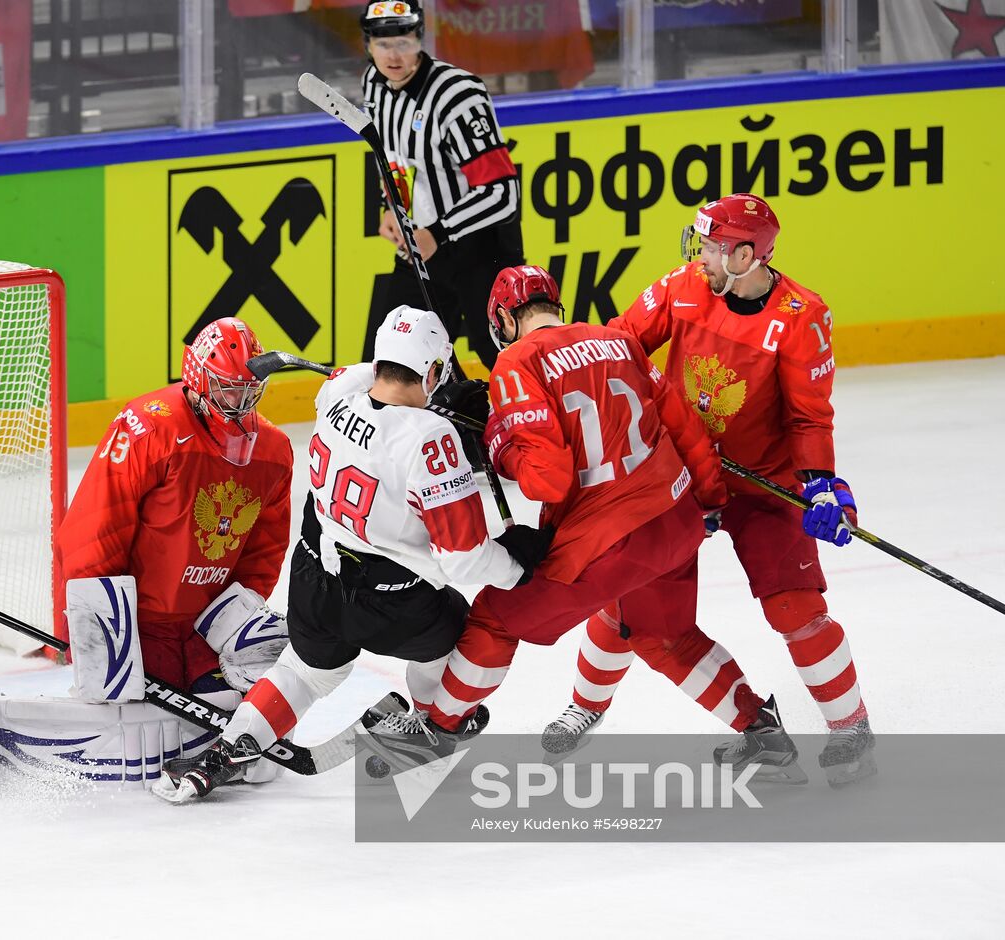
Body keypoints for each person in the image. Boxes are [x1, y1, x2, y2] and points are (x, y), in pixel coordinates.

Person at [386, 266, 801, 779]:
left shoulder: (517, 361)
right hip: (675, 520)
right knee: (665, 636)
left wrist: (497, 443)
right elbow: (683, 426)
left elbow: (547, 480)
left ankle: (437, 729)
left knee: (495, 617)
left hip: (606, 541)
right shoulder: (617, 340)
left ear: (505, 320)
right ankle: (762, 731)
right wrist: (711, 500)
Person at [153, 305, 551, 804]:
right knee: (461, 640)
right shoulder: (432, 441)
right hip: (393, 605)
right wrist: (518, 563)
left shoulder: (336, 395)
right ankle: (427, 731)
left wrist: (423, 393)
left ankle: (224, 754)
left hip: (313, 581)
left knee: (303, 671)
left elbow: (361, 376)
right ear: (432, 371)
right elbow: (465, 559)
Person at [542, 193, 876, 786]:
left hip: (764, 485)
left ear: (747, 256)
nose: (701, 257)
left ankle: (851, 729)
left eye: (714, 248)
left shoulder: (801, 317)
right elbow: (616, 348)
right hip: (681, 476)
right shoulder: (684, 287)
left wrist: (822, 486)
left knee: (794, 606)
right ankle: (587, 706)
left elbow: (808, 417)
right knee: (628, 596)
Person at [0, 317, 295, 790]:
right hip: (140, 624)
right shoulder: (150, 427)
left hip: (205, 627)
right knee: (127, 723)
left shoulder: (274, 451)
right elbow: (95, 530)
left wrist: (230, 625)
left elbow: (264, 552)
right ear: (197, 377)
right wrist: (95, 628)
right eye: (227, 389)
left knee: (247, 712)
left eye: (248, 391)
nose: (238, 404)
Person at [357, 0, 524, 372]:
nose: (393, 55)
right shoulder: (374, 83)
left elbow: (502, 192)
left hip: (481, 248)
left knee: (503, 356)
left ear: (420, 38)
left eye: (403, 42)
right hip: (421, 246)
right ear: (368, 45)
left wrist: (438, 231)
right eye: (383, 43)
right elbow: (392, 155)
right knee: (391, 360)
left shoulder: (457, 96)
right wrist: (390, 205)